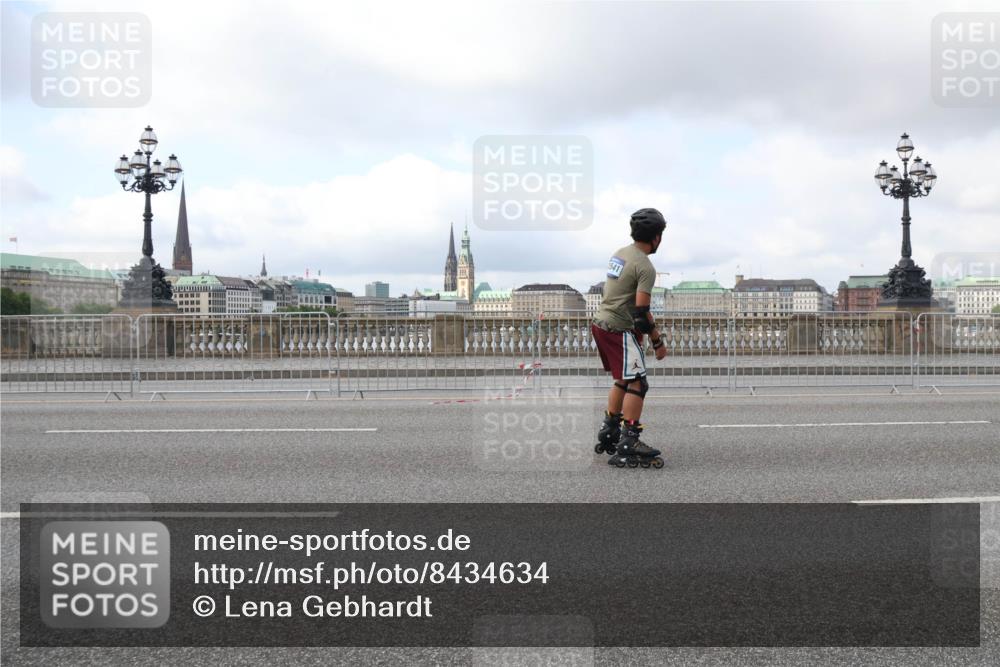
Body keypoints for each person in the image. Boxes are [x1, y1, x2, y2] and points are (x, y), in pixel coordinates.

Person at [591, 208, 667, 469]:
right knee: (639, 383)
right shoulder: (645, 266)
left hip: (601, 323)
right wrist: (657, 341)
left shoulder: (620, 254)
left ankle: (610, 428)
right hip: (618, 328)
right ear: (656, 237)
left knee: (623, 379)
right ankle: (629, 440)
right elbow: (641, 313)